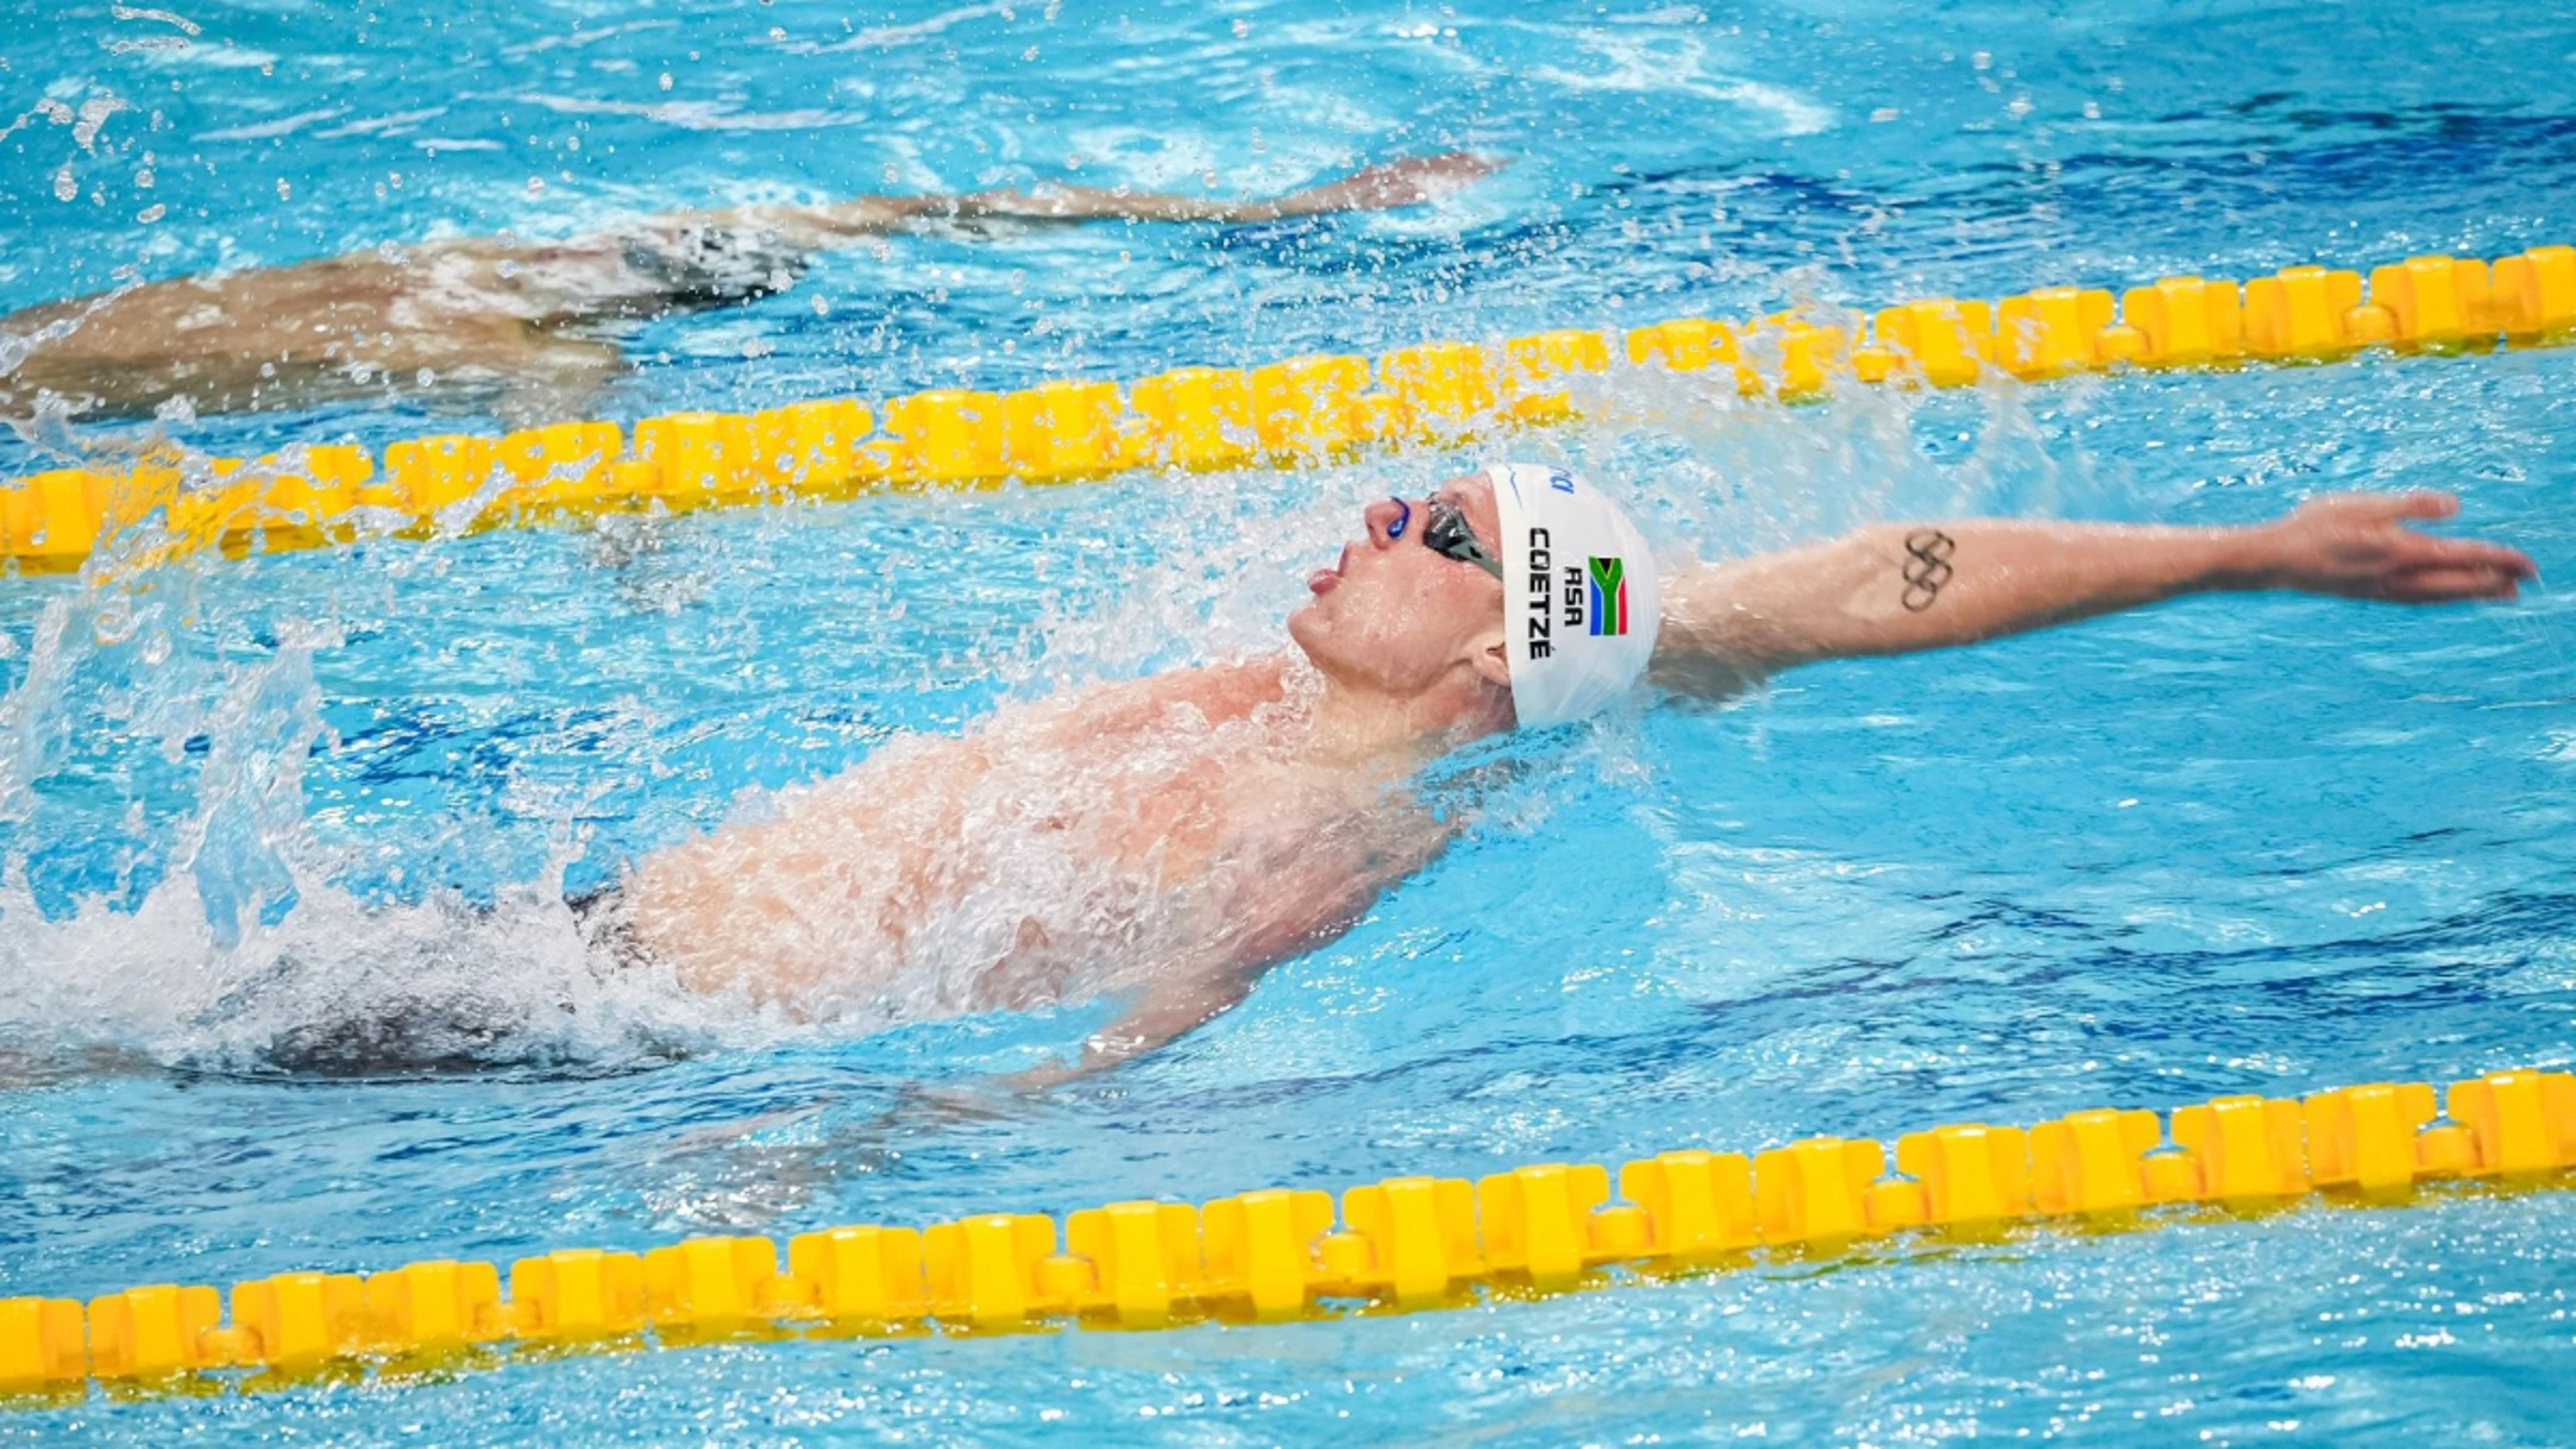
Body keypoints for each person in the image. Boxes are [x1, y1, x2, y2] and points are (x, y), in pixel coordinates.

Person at [580, 466, 2535, 1085]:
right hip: (574, 955)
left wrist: (849, 1160)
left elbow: (1117, 1062)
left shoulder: (1333, 823)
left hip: (594, 1050)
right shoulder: (1302, 697)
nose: (1370, 511)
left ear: (1496, 660)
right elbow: (1864, 586)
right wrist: (2234, 551)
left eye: (1432, 526)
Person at [0, 153, 1499, 422]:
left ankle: (1275, 208)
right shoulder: (539, 318)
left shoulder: (455, 279)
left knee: (895, 218)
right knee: (899, 220)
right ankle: (1276, 211)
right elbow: (571, 395)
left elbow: (906, 213)